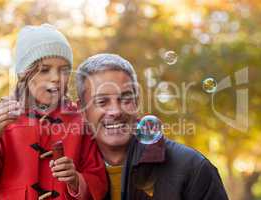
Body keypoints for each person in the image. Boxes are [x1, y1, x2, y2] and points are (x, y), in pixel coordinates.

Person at [0, 24, 107, 200]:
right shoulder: (0, 118)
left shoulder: (79, 120)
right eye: (45, 70)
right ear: (24, 75)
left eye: (64, 70)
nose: (56, 78)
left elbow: (98, 181)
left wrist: (76, 180)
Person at [75, 53, 229, 200]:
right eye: (102, 102)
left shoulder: (192, 168)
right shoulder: (66, 174)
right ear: (82, 110)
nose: (116, 111)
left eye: (126, 99)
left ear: (137, 102)